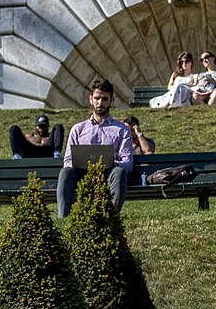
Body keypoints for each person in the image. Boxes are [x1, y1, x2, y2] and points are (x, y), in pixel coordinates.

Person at [57, 79, 153, 217]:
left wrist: (111, 162)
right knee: (65, 172)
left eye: (104, 99)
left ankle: (111, 219)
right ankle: (64, 219)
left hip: (108, 175)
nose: (100, 102)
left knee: (119, 172)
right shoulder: (78, 129)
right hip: (83, 175)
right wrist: (82, 162)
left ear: (111, 100)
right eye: (96, 98)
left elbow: (127, 163)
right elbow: (68, 159)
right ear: (91, 99)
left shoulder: (121, 130)